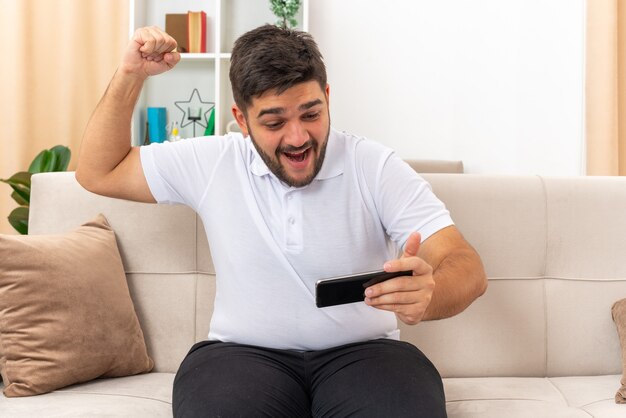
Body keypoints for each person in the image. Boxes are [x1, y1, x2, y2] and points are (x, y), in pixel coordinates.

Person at [76, 24, 487, 418]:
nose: (297, 138)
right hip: (240, 354)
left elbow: (465, 266)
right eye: (274, 122)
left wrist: (428, 294)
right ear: (242, 119)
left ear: (327, 97)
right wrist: (130, 75)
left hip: (365, 353)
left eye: (311, 114)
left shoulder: (374, 165)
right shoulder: (212, 161)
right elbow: (98, 171)